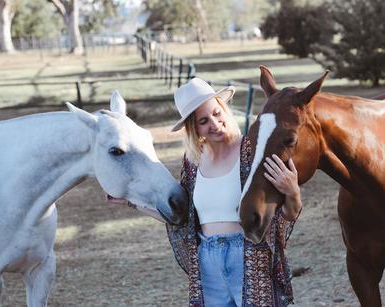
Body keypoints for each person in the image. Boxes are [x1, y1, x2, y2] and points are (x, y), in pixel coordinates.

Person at [118, 78, 302, 306]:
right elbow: (180, 217)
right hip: (207, 260)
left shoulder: (251, 151)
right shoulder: (193, 163)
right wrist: (131, 201)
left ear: (224, 109)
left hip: (248, 255)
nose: (215, 124)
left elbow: (288, 214)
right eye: (204, 121)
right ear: (194, 129)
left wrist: (292, 190)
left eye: (217, 113)